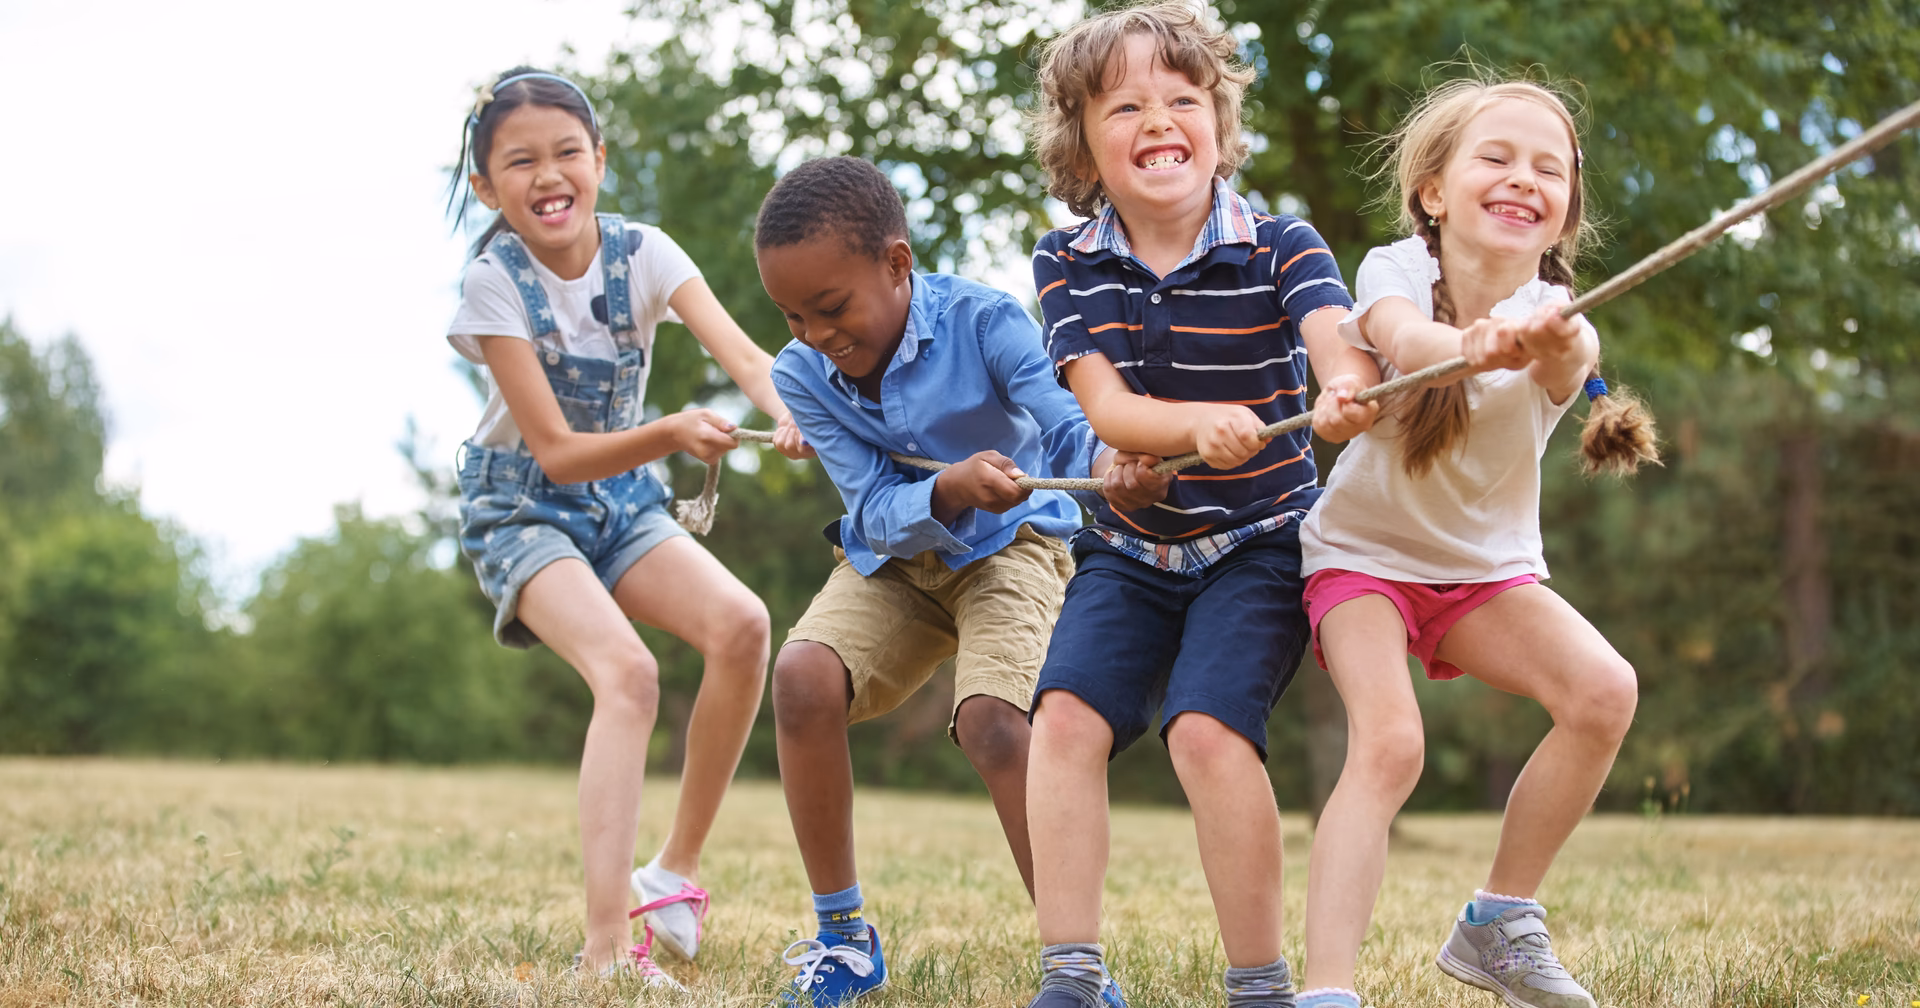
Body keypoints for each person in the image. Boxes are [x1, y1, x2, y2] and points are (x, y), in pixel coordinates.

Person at [1020, 4, 1383, 1006]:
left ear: (1219, 126)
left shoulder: (1281, 243)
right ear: (1082, 145)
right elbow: (1108, 407)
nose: (1158, 119)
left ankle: (1260, 985)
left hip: (1260, 544)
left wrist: (1345, 392)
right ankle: (1072, 976)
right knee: (1061, 724)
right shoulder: (1067, 261)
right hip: (1130, 548)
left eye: (1183, 99)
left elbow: (1335, 348)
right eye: (1125, 105)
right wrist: (1190, 426)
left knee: (1206, 734)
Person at [752, 155, 1168, 1007]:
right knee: (799, 678)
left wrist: (1112, 465)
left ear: (897, 265)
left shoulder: (986, 320)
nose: (815, 333)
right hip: (898, 561)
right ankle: (843, 939)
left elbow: (1062, 425)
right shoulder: (801, 375)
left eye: (832, 308)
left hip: (1015, 547)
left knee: (993, 724)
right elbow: (869, 510)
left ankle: (1075, 966)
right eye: (792, 315)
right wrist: (944, 488)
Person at [1291, 77, 1658, 1008]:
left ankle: (1498, 922)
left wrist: (1538, 340)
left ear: (1566, 205)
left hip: (1482, 576)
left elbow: (1571, 359)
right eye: (1496, 157)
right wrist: (1474, 341)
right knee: (1390, 746)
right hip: (1362, 563)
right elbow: (1404, 340)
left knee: (1604, 691)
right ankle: (1328, 991)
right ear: (1433, 192)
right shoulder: (1393, 270)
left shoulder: (1563, 317)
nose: (1524, 179)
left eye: (1551, 168)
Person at [444, 67, 808, 986]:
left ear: (599, 161)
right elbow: (559, 451)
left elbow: (746, 355)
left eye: (567, 152)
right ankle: (604, 949)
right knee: (630, 675)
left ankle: (672, 877)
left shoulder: (645, 253)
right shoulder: (492, 287)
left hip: (622, 502)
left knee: (742, 626)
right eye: (519, 161)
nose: (548, 174)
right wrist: (675, 429)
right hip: (524, 503)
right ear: (488, 187)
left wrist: (792, 410)